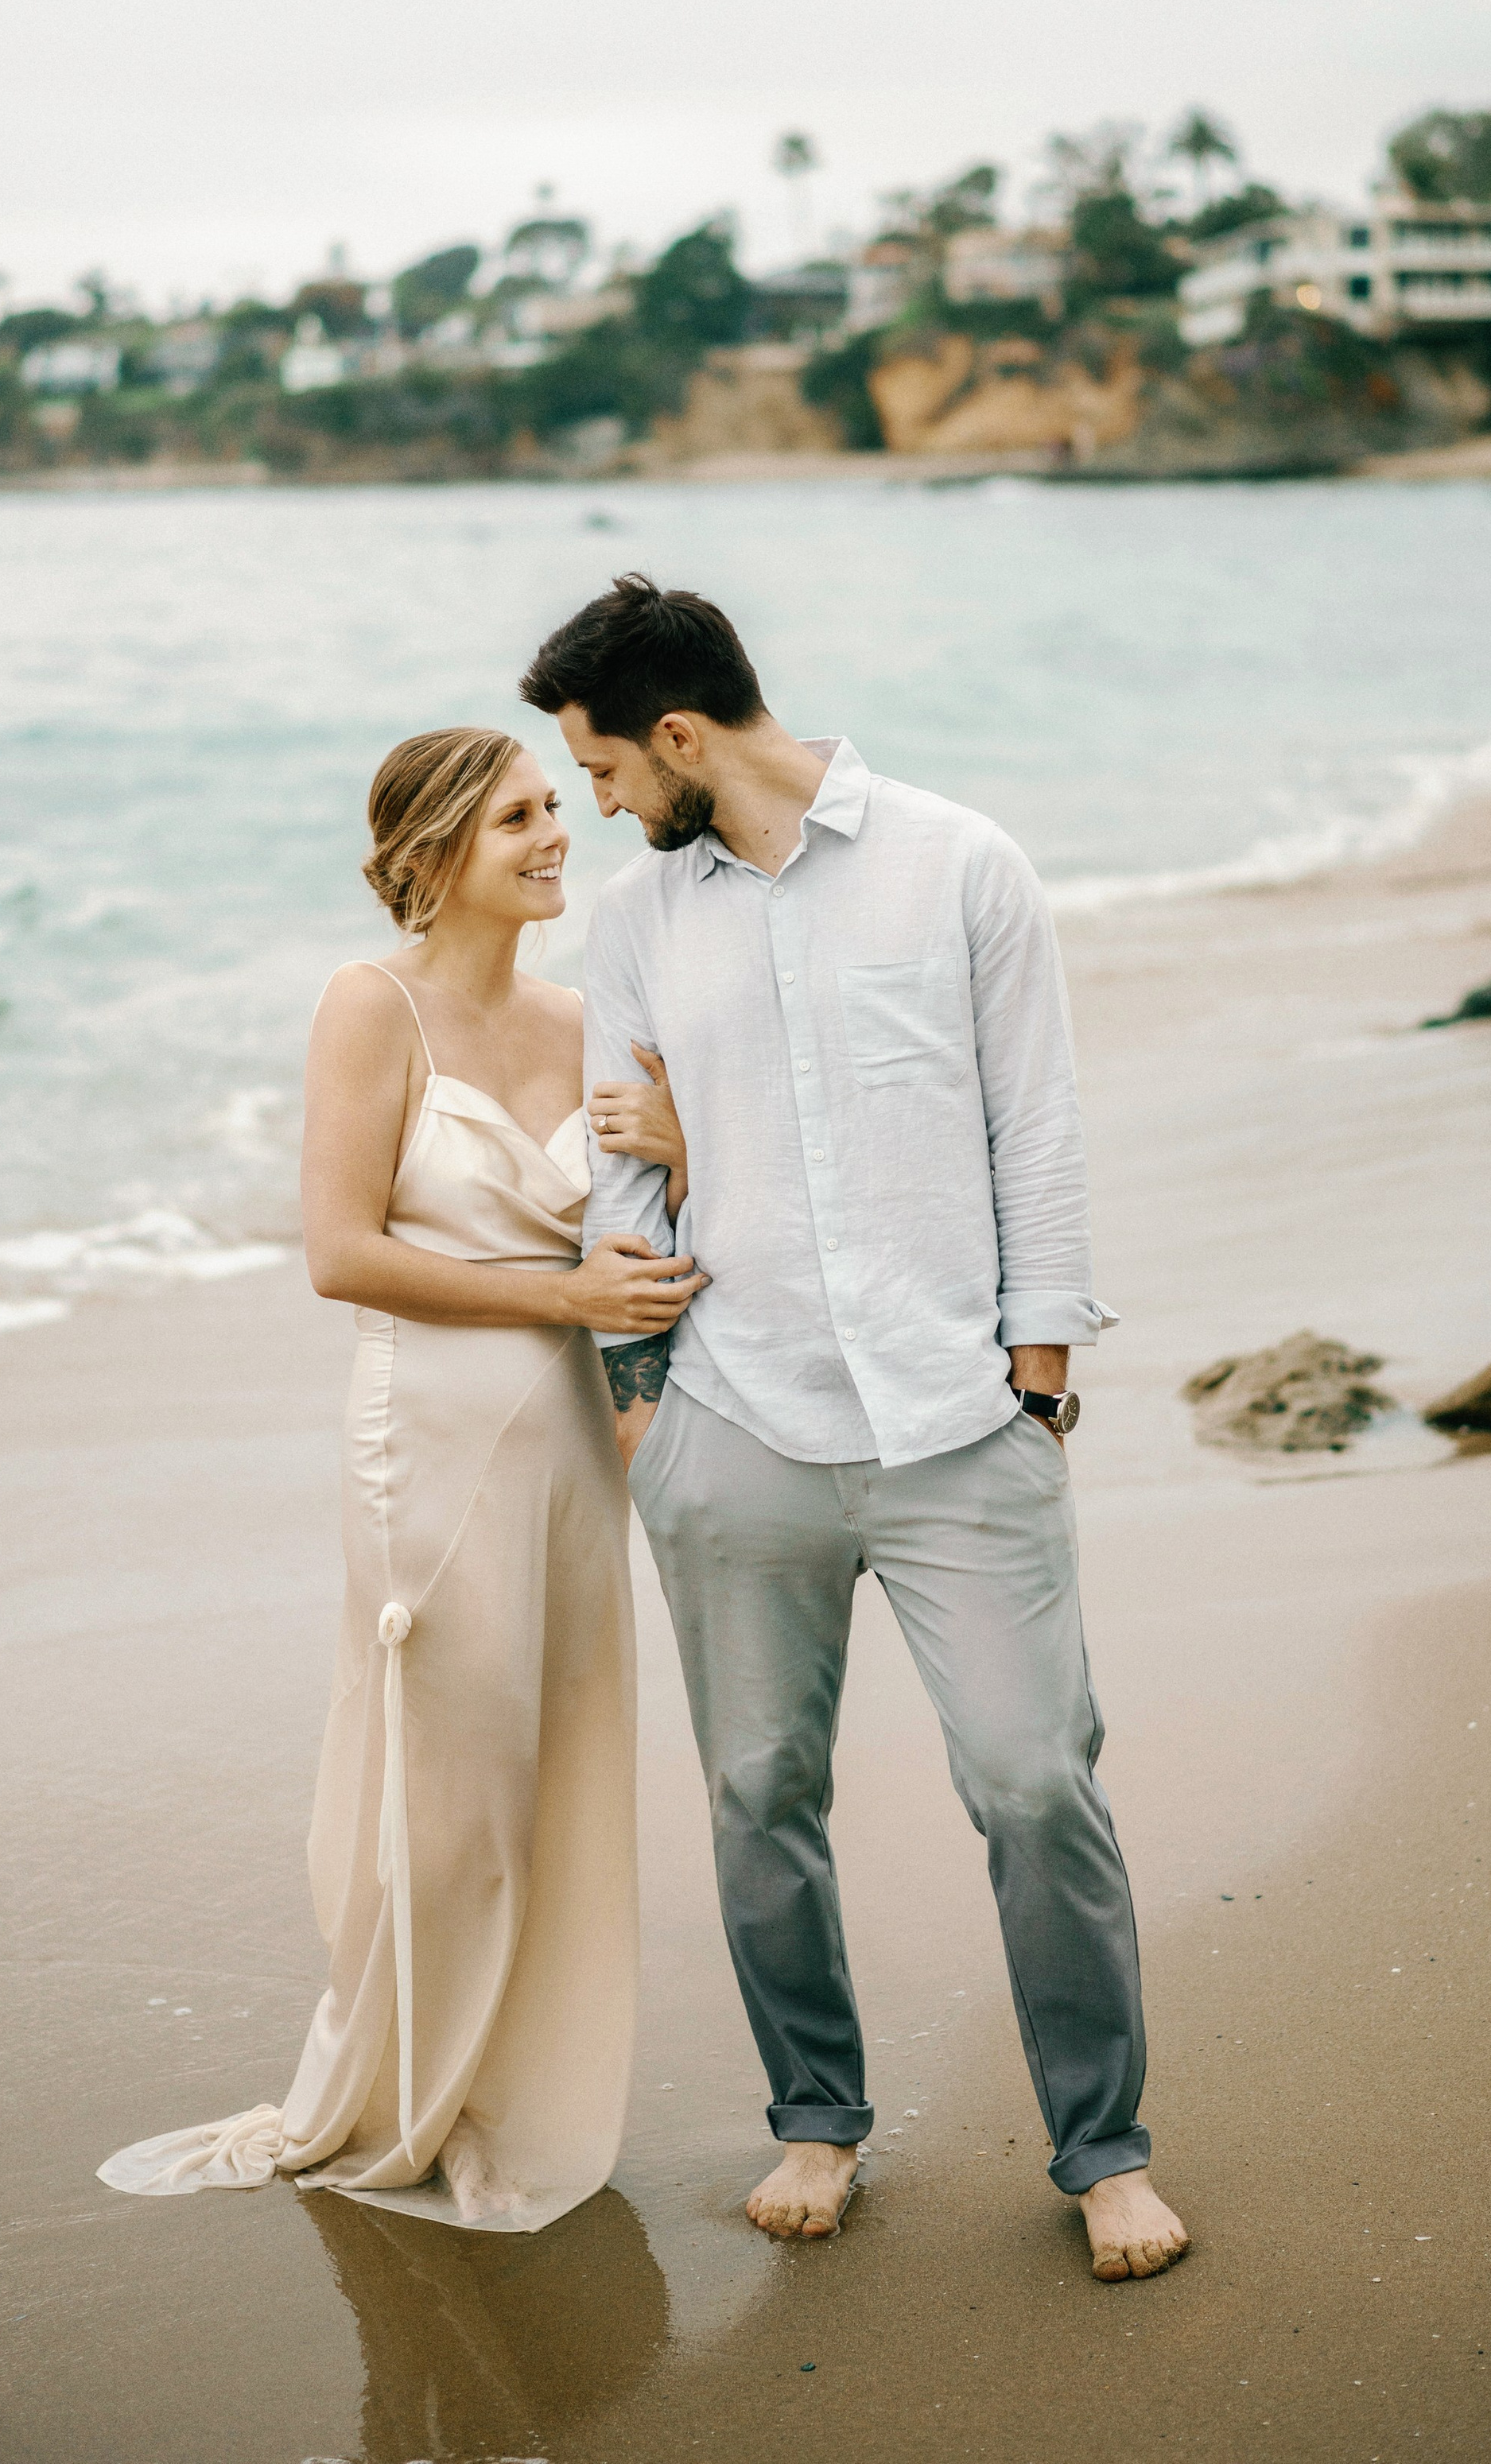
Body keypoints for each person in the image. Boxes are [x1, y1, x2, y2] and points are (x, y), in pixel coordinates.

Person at [521, 578, 1189, 2283]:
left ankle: (1101, 2148)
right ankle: (815, 2119)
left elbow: (1033, 1134)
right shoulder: (638, 919)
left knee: (1036, 1784)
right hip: (733, 1415)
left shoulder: (960, 862)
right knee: (758, 1794)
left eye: (599, 768)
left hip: (958, 1419)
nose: (596, 802)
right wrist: (638, 1418)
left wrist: (1037, 1394)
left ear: (676, 735)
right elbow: (619, 1176)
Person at [98, 728, 703, 2232]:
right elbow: (340, 1254)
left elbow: (652, 1230)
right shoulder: (371, 1009)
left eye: (557, 806)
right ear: (434, 854)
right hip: (428, 1436)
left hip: (575, 1445)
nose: (557, 835)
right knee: (453, 1788)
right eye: (517, 818)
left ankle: (516, 2089)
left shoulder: (584, 1016)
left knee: (556, 1767)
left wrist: (685, 1152)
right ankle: (399, 2093)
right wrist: (562, 1302)